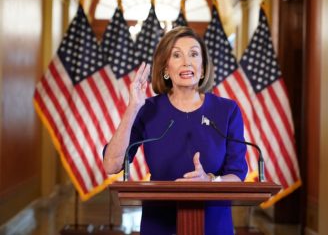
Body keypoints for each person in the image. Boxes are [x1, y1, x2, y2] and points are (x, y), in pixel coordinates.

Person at [103, 26, 248, 235]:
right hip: (159, 224)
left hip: (214, 225)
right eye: (177, 55)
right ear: (165, 68)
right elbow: (112, 164)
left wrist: (210, 181)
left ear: (203, 67)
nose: (187, 62)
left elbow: (237, 174)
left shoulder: (227, 110)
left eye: (194, 54)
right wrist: (133, 107)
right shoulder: (148, 110)